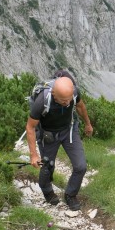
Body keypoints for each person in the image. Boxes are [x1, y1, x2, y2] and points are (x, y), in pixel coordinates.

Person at [25, 71, 93, 210]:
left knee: (81, 167)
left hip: (69, 132)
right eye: (64, 101)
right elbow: (30, 127)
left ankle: (70, 195)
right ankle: (47, 191)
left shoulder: (73, 93)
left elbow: (80, 106)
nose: (67, 103)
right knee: (47, 167)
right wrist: (33, 155)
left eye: (69, 100)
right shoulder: (43, 101)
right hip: (48, 135)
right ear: (55, 95)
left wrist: (88, 124)